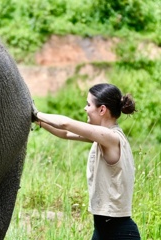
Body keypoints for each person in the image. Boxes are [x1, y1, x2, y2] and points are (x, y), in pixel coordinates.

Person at [32, 83, 141, 239]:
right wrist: (37, 121)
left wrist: (35, 112)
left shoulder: (111, 137)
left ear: (102, 109)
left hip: (119, 233)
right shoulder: (103, 137)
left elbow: (66, 123)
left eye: (88, 104)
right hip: (102, 230)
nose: (85, 108)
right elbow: (64, 133)